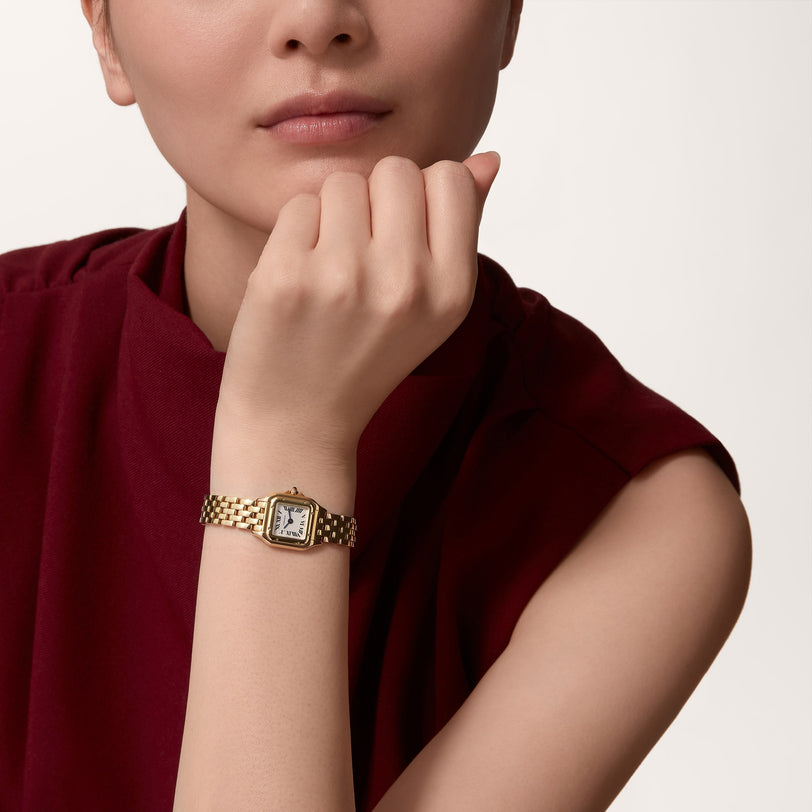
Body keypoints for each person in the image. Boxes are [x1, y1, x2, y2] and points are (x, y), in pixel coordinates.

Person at [0, 0, 752, 810]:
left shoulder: (635, 513)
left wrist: (290, 437)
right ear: (107, 36)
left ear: (508, 15)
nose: (317, 18)